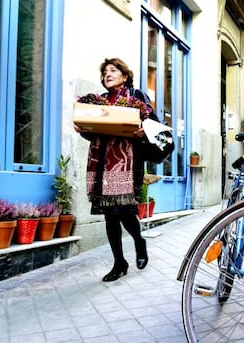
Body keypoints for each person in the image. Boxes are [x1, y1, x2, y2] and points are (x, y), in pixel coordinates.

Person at [78, 58, 157, 282]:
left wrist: (142, 131)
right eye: (104, 72)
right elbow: (92, 132)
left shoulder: (136, 97)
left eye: (113, 70)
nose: (107, 74)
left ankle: (139, 241)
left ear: (125, 75)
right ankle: (119, 263)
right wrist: (82, 127)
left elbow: (153, 124)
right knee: (109, 216)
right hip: (101, 163)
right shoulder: (98, 101)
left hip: (126, 163)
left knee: (124, 211)